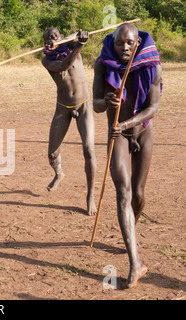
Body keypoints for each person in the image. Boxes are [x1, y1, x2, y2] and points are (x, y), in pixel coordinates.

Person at [93, 23, 162, 289]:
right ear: (114, 43)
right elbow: (96, 105)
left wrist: (128, 122)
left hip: (142, 132)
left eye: (129, 44)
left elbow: (153, 108)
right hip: (117, 135)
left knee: (138, 195)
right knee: (123, 193)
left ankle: (130, 231)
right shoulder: (103, 64)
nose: (124, 48)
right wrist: (107, 100)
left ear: (137, 44)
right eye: (120, 43)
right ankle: (136, 262)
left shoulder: (151, 65)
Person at [41, 28, 97, 216]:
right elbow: (64, 65)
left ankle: (90, 195)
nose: (53, 38)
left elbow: (78, 37)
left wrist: (80, 38)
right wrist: (79, 45)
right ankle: (59, 173)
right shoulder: (47, 59)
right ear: (45, 42)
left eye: (55, 35)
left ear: (61, 37)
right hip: (62, 108)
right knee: (52, 153)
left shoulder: (71, 44)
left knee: (89, 149)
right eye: (49, 37)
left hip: (84, 106)